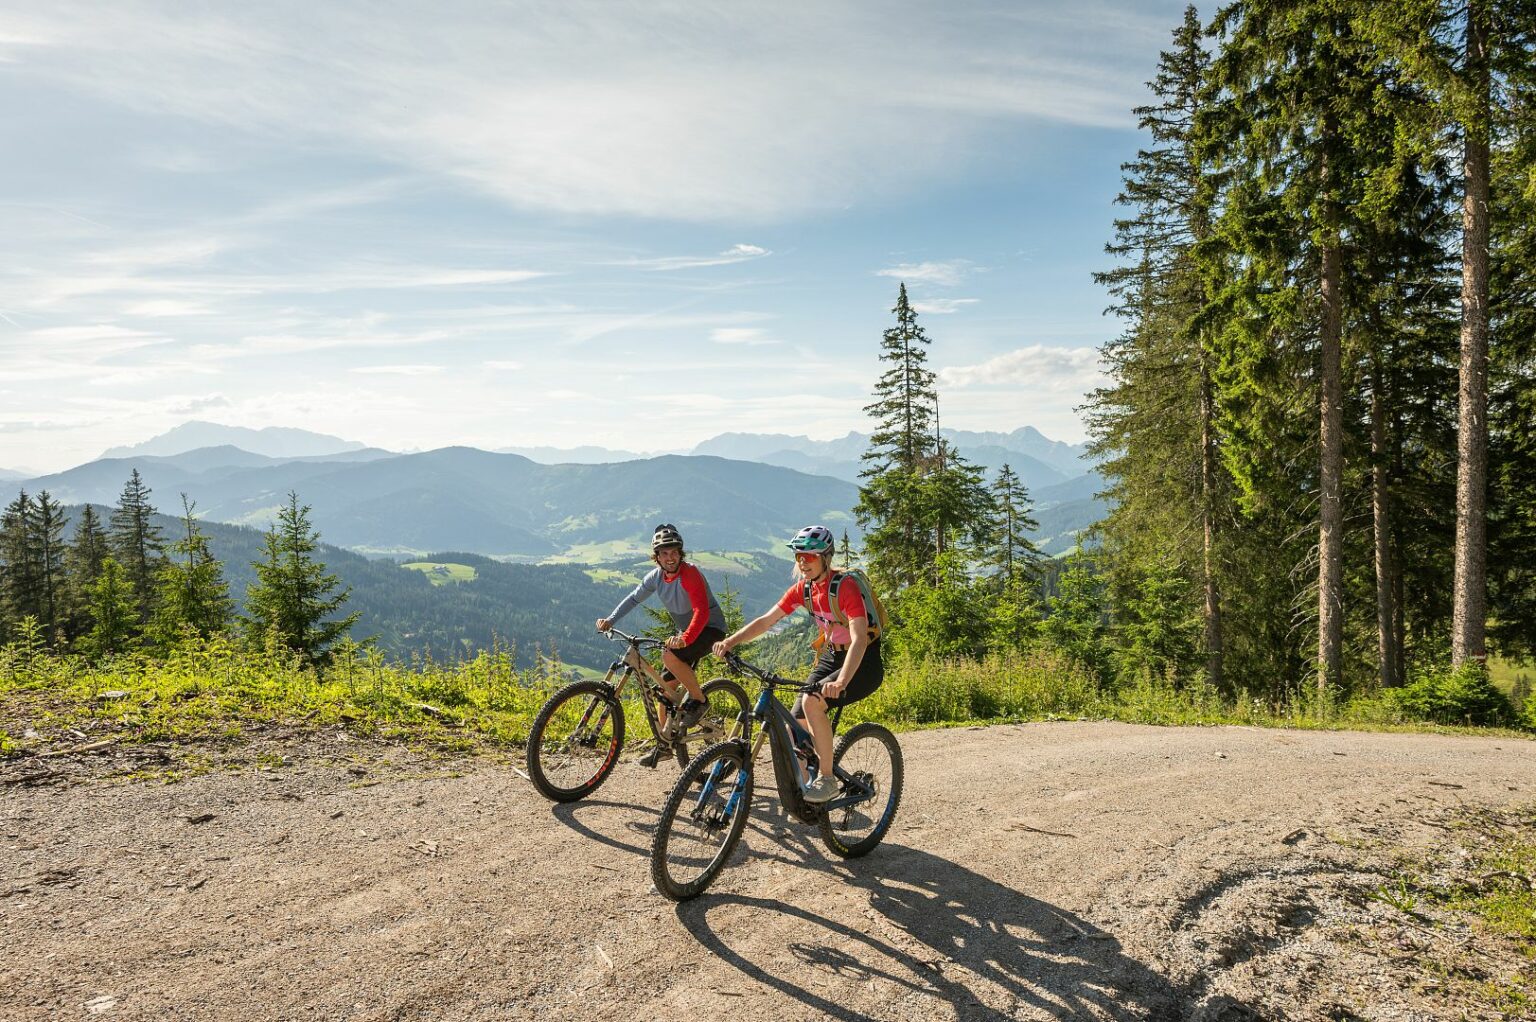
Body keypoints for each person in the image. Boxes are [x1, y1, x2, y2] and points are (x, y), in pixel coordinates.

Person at [712, 525, 883, 802]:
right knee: (796, 721)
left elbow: (860, 639)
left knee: (812, 702)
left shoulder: (845, 587)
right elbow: (766, 621)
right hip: (830, 654)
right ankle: (805, 786)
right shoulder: (803, 589)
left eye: (810, 556)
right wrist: (730, 641)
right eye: (799, 556)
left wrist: (841, 682)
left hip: (863, 660)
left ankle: (827, 780)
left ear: (825, 557)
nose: (803, 562)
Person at [596, 524, 728, 767]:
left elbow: (700, 610)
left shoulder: (690, 574)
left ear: (681, 554)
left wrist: (685, 637)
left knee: (669, 655)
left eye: (674, 552)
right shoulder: (656, 577)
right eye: (664, 553)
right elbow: (634, 598)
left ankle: (699, 700)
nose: (670, 558)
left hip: (709, 628)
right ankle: (665, 745)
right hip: (687, 633)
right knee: (666, 690)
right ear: (656, 557)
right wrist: (611, 620)